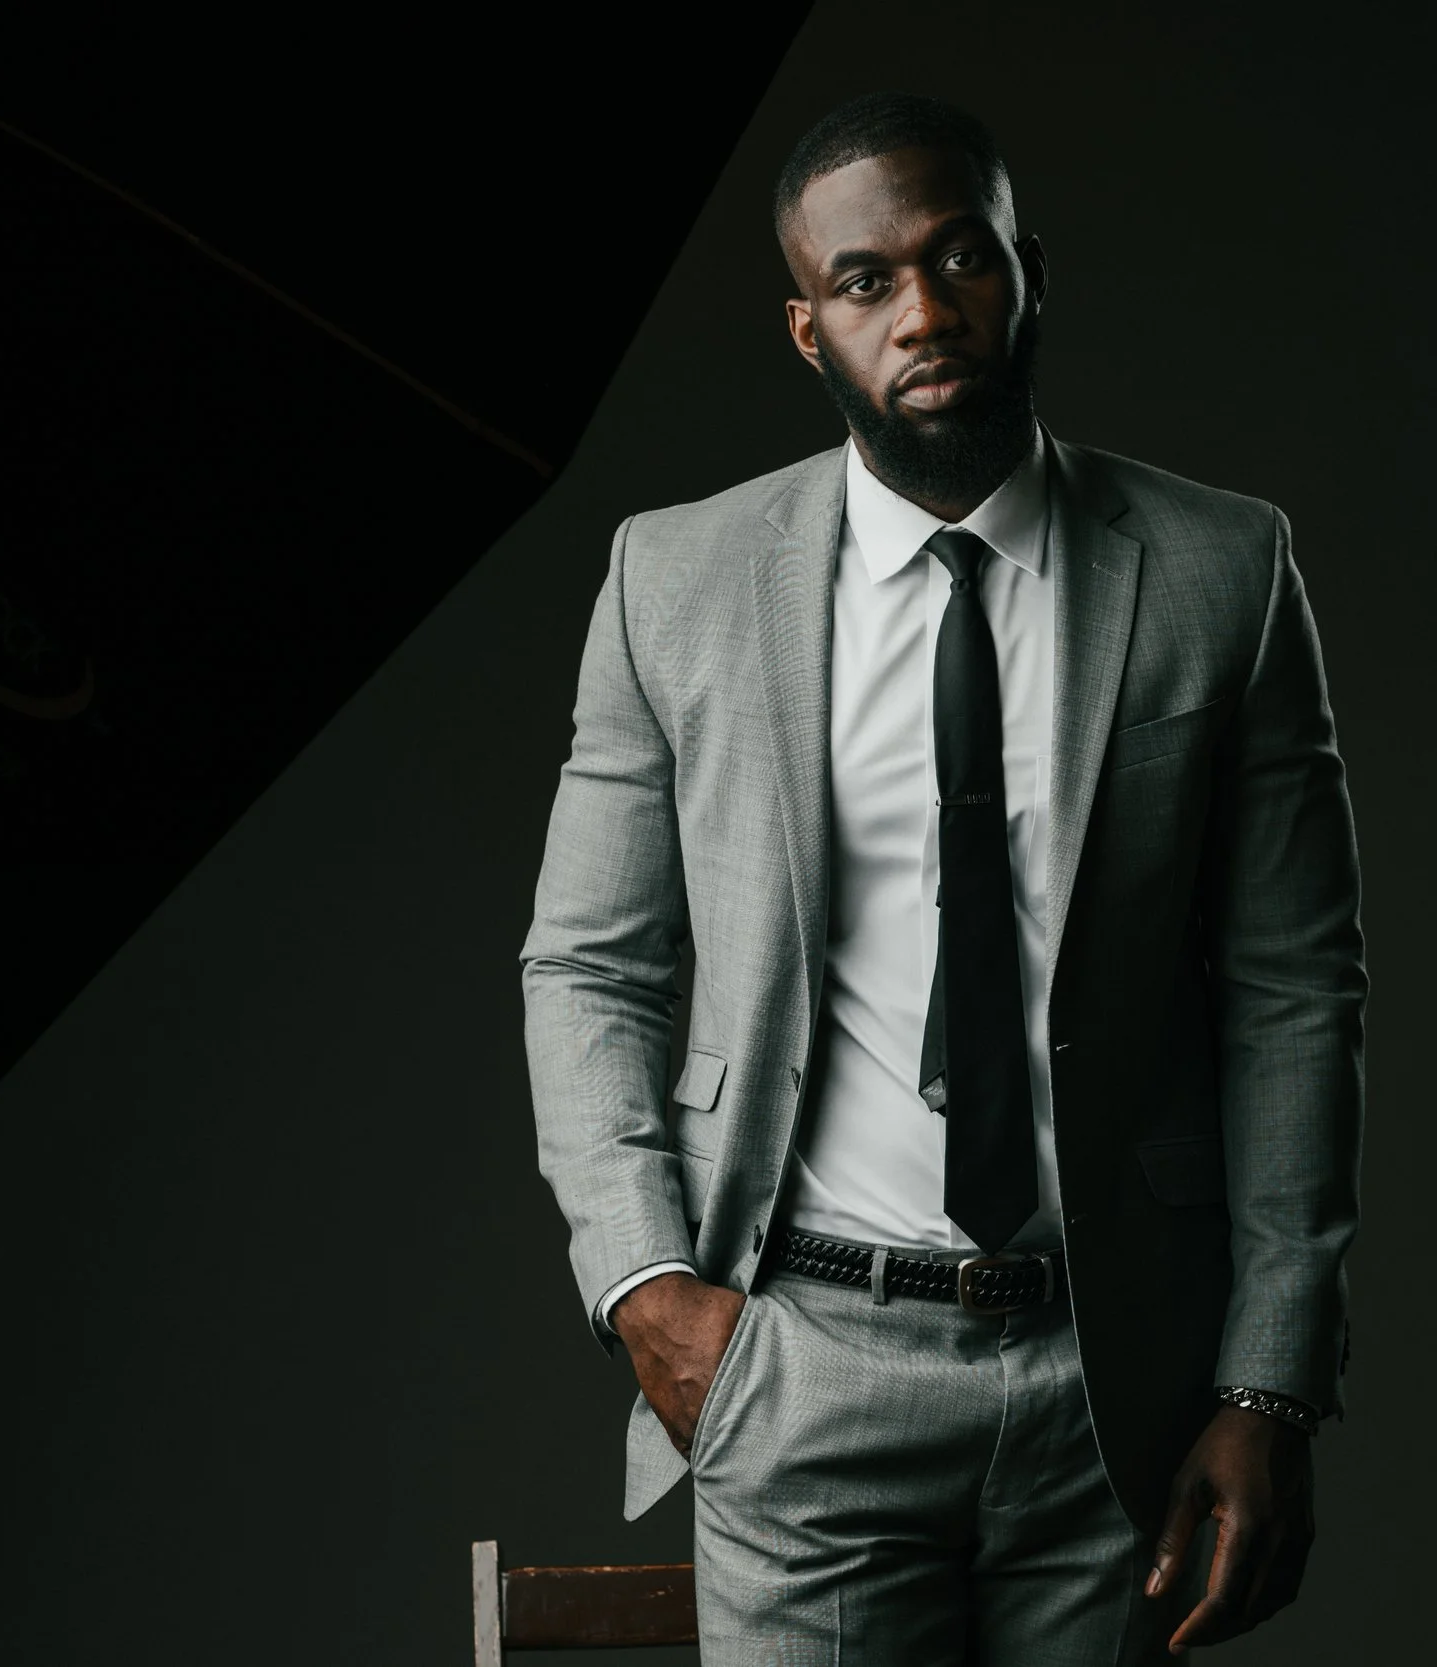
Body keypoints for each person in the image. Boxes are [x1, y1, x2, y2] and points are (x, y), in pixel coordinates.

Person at [519, 89, 1366, 1664]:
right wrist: (646, 1285)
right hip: (802, 1369)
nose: (922, 309)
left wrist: (1269, 1382)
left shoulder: (1222, 570)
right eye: (865, 280)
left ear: (1025, 272)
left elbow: (1295, 998)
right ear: (807, 328)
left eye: (959, 256)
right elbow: (588, 963)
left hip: (1111, 1380)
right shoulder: (674, 578)